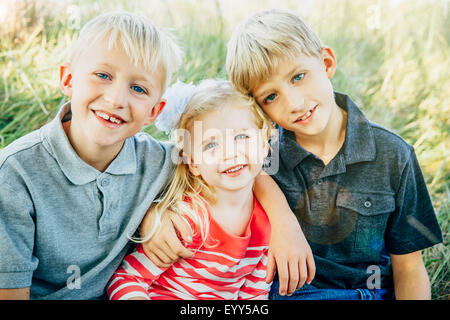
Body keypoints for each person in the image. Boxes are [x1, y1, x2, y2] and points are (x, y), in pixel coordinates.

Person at [0, 11, 311, 300]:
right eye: (103, 75)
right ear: (68, 79)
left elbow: (238, 163)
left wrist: (284, 222)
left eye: (138, 88)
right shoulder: (16, 173)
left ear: (154, 111)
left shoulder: (158, 160)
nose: (116, 98)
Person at [225, 9, 443, 300]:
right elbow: (196, 159)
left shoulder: (394, 155)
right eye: (271, 97)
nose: (294, 103)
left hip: (369, 292)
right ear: (259, 109)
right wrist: (281, 218)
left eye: (298, 76)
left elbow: (409, 268)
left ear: (326, 63)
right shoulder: (261, 154)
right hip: (292, 293)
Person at [108, 79, 275, 300]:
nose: (230, 153)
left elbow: (254, 294)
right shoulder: (187, 219)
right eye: (211, 144)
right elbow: (128, 279)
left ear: (264, 143)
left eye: (241, 136)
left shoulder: (268, 225)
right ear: (194, 163)